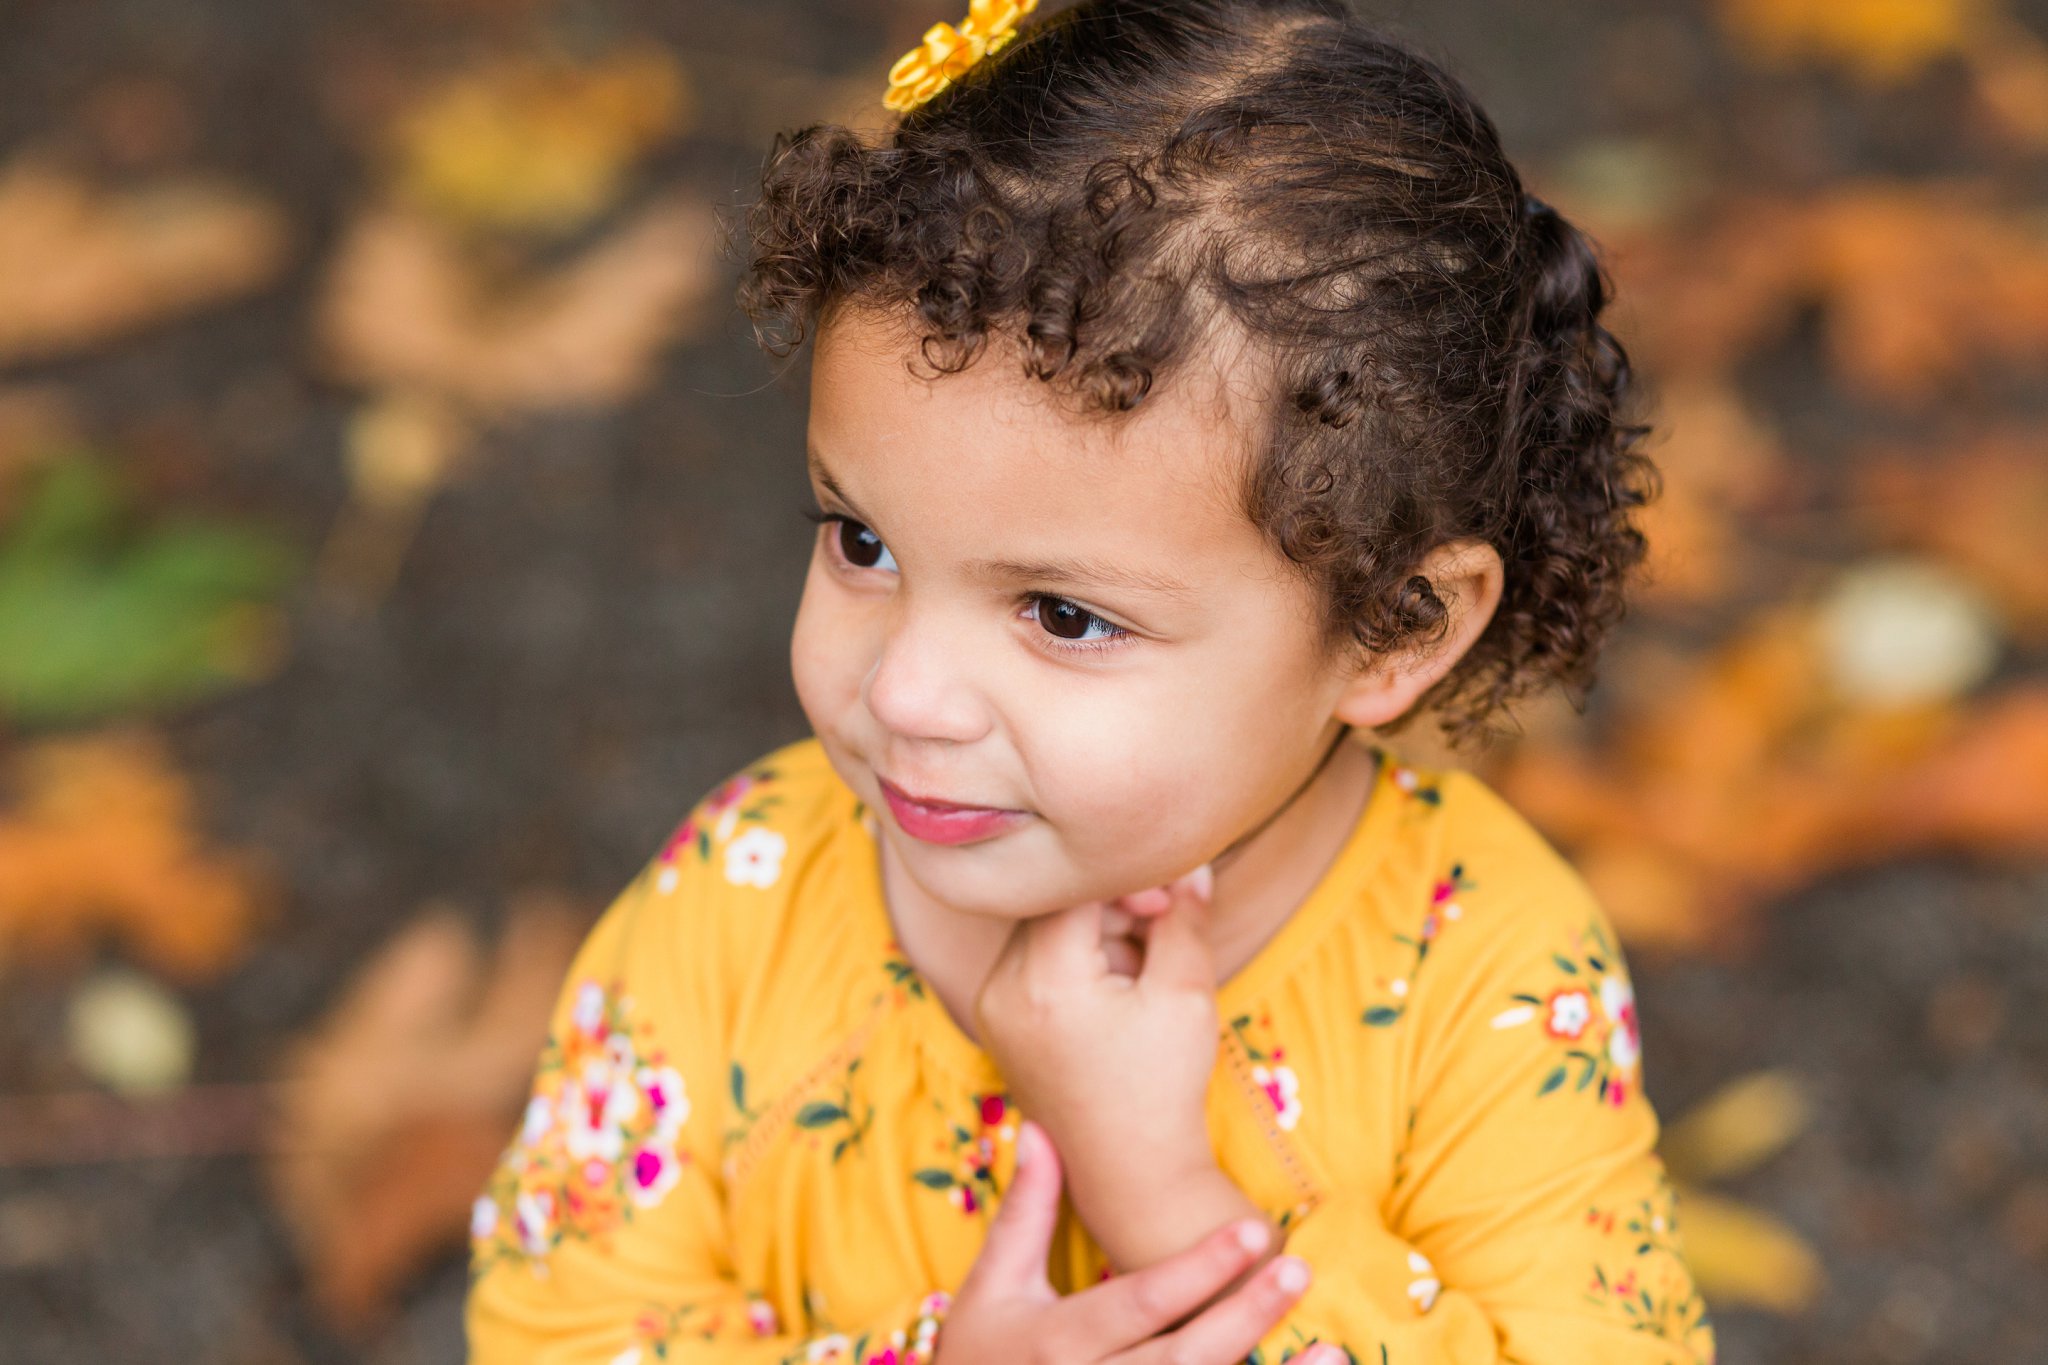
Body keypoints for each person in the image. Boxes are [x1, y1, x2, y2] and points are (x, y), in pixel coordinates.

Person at [465, 0, 1717, 1361]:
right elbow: (557, 1322)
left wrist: (1166, 1198)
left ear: (1394, 624)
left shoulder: (1478, 968)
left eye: (1063, 614)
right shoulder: (743, 896)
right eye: (862, 540)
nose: (907, 693)